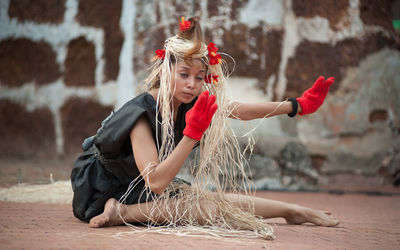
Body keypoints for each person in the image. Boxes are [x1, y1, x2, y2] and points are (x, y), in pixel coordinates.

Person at [71, 16, 339, 239]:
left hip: (135, 184)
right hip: (100, 188)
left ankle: (291, 210)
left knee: (213, 201)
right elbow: (156, 183)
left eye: (199, 78)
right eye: (184, 75)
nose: (192, 84)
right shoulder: (140, 115)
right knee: (196, 208)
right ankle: (122, 213)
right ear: (165, 73)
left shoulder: (189, 101)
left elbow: (239, 110)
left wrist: (296, 105)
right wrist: (191, 135)